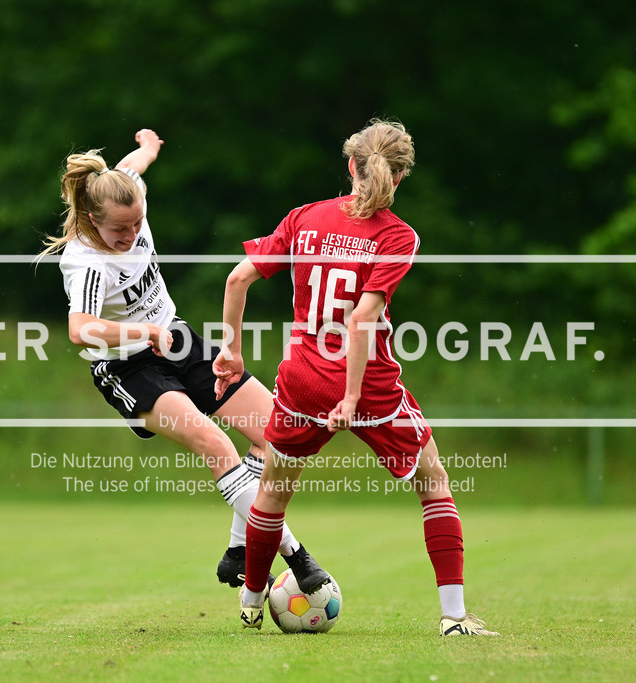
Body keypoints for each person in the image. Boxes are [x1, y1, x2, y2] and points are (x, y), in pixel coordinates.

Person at [213, 118, 499, 636]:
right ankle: (454, 618)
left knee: (274, 492)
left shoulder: (305, 218)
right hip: (368, 386)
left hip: (301, 380)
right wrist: (348, 397)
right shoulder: (397, 236)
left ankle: (252, 603)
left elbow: (238, 278)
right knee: (434, 484)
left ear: (351, 165)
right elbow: (363, 319)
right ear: (401, 175)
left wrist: (231, 353)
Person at [38, 129, 329, 596]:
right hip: (128, 367)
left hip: (177, 340)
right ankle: (296, 555)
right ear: (93, 220)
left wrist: (149, 149)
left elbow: (135, 166)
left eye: (137, 225)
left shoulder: (126, 193)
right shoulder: (88, 261)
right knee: (214, 442)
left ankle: (238, 554)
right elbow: (80, 328)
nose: (131, 236)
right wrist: (145, 332)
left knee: (277, 432)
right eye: (120, 231)